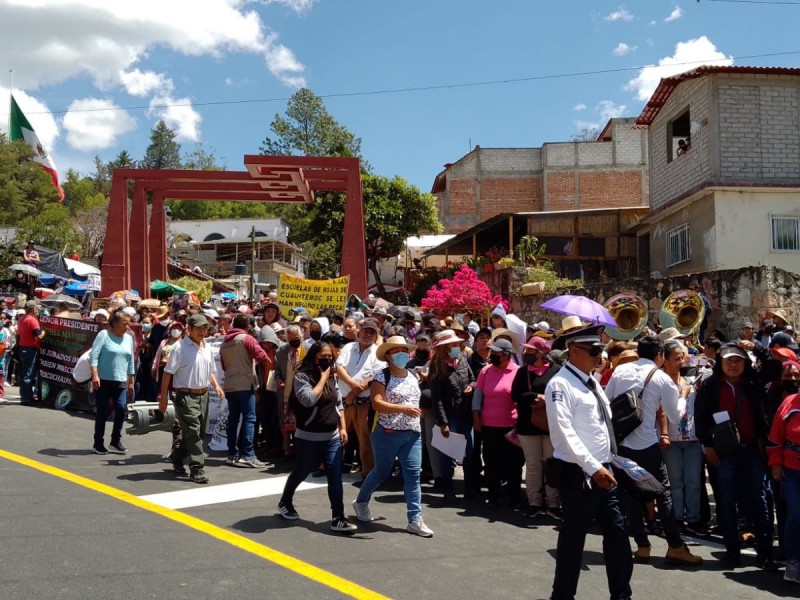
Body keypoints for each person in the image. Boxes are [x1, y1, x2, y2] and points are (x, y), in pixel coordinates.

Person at [545, 324, 633, 600]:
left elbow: (600, 427)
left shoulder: (591, 380)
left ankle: (621, 596)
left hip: (605, 471)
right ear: (574, 351)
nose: (600, 356)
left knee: (618, 537)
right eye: (595, 351)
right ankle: (562, 596)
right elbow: (565, 432)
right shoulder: (560, 384)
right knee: (573, 540)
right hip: (579, 475)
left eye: (602, 350)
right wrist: (594, 468)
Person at [604, 336, 702, 566]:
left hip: (623, 444)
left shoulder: (621, 371)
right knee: (662, 494)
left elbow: (607, 403)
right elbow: (676, 416)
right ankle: (675, 546)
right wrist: (683, 395)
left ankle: (642, 545)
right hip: (647, 444)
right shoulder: (662, 378)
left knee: (631, 495)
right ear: (659, 356)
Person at [695, 343, 776, 569]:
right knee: (726, 502)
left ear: (745, 363)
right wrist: (708, 446)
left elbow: (771, 367)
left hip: (752, 451)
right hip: (723, 454)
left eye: (738, 360)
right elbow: (700, 417)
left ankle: (765, 553)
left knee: (759, 502)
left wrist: (758, 346)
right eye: (729, 360)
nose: (733, 365)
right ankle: (732, 552)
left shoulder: (753, 383)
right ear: (720, 363)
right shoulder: (710, 386)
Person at [352, 336, 433, 537]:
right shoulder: (381, 377)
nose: (401, 355)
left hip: (412, 434)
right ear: (387, 355)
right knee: (381, 472)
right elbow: (377, 403)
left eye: (404, 350)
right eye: (396, 351)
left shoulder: (413, 375)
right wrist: (403, 409)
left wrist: (412, 411)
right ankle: (361, 500)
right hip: (387, 433)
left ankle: (415, 519)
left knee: (413, 475)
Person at [277, 341, 356, 533]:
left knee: (335, 475)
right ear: (314, 357)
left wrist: (343, 428)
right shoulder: (302, 376)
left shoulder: (332, 377)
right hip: (308, 437)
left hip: (332, 437)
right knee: (302, 472)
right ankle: (285, 501)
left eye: (330, 357)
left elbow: (339, 403)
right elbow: (308, 399)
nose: (327, 360)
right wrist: (322, 378)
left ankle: (338, 517)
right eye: (323, 357)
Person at [158, 314, 224, 484]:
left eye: (205, 328)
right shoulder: (180, 348)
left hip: (204, 395)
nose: (203, 331)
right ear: (190, 329)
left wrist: (216, 385)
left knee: (197, 433)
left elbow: (210, 370)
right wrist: (163, 397)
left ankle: (177, 455)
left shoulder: (206, 347)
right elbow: (167, 373)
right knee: (193, 431)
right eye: (199, 328)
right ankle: (197, 469)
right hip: (185, 395)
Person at [511, 336, 561, 518]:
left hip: (550, 426)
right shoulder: (522, 372)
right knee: (533, 466)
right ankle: (534, 502)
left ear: (541, 353)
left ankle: (553, 503)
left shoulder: (557, 371)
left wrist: (546, 400)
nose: (526, 353)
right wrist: (535, 397)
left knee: (551, 465)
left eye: (530, 351)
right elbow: (515, 395)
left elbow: (561, 395)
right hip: (527, 425)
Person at [660, 340, 705, 534]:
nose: (680, 362)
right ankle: (677, 516)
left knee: (694, 481)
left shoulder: (691, 382)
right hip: (672, 440)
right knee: (675, 481)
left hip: (693, 439)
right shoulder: (661, 382)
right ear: (665, 360)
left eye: (682, 358)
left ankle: (694, 518)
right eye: (676, 359)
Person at [472, 338, 522, 509]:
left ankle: (514, 497)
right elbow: (478, 397)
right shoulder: (486, 371)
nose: (493, 355)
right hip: (489, 425)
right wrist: (476, 418)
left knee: (513, 464)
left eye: (497, 353)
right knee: (491, 462)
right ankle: (493, 496)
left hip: (511, 426)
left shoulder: (518, 372)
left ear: (506, 355)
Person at [429, 329, 476, 501]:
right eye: (453, 344)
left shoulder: (462, 359)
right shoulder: (437, 366)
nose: (457, 346)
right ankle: (448, 487)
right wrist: (443, 423)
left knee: (469, 451)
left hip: (465, 414)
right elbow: (437, 398)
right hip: (450, 415)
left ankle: (470, 488)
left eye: (457, 344)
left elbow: (472, 378)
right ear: (445, 347)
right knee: (448, 453)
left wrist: (472, 386)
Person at [220, 314, 270, 468]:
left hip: (229, 385)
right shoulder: (247, 339)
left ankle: (231, 454)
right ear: (248, 326)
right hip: (245, 384)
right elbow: (262, 356)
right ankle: (248, 454)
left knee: (233, 420)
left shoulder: (224, 342)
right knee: (249, 419)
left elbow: (223, 366)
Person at [336, 318, 382, 479]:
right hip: (343, 401)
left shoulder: (378, 353)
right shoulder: (348, 347)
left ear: (376, 335)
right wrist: (350, 385)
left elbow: (374, 378)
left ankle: (367, 472)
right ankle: (329, 465)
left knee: (365, 439)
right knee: (336, 435)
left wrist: (353, 393)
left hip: (363, 403)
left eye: (372, 332)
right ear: (359, 331)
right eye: (365, 330)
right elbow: (339, 367)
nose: (368, 334)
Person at [767, 360, 800, 584]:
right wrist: (776, 464)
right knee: (796, 516)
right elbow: (775, 437)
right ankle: (793, 563)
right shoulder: (789, 403)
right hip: (792, 470)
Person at [89, 310, 135, 454]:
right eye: (124, 323)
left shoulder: (128, 338)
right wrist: (95, 374)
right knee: (102, 412)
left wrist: (131, 379)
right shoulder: (104, 335)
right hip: (102, 380)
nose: (127, 326)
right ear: (114, 323)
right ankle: (98, 443)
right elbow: (94, 355)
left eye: (128, 323)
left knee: (121, 410)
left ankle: (115, 441)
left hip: (120, 380)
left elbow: (131, 359)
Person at [274, 324, 305, 456]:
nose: (294, 340)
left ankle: (300, 450)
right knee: (285, 425)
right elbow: (277, 371)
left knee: (300, 423)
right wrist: (278, 379)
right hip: (286, 394)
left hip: (301, 395)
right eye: (291, 338)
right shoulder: (281, 351)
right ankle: (287, 450)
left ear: (301, 337)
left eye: (296, 337)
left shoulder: (308, 350)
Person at [17, 300, 45, 405]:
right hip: (30, 349)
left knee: (25, 373)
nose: (37, 310)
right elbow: (38, 336)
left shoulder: (21, 319)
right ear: (33, 309)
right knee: (28, 374)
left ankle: (25, 396)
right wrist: (44, 332)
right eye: (36, 308)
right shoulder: (32, 320)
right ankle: (26, 398)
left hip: (22, 348)